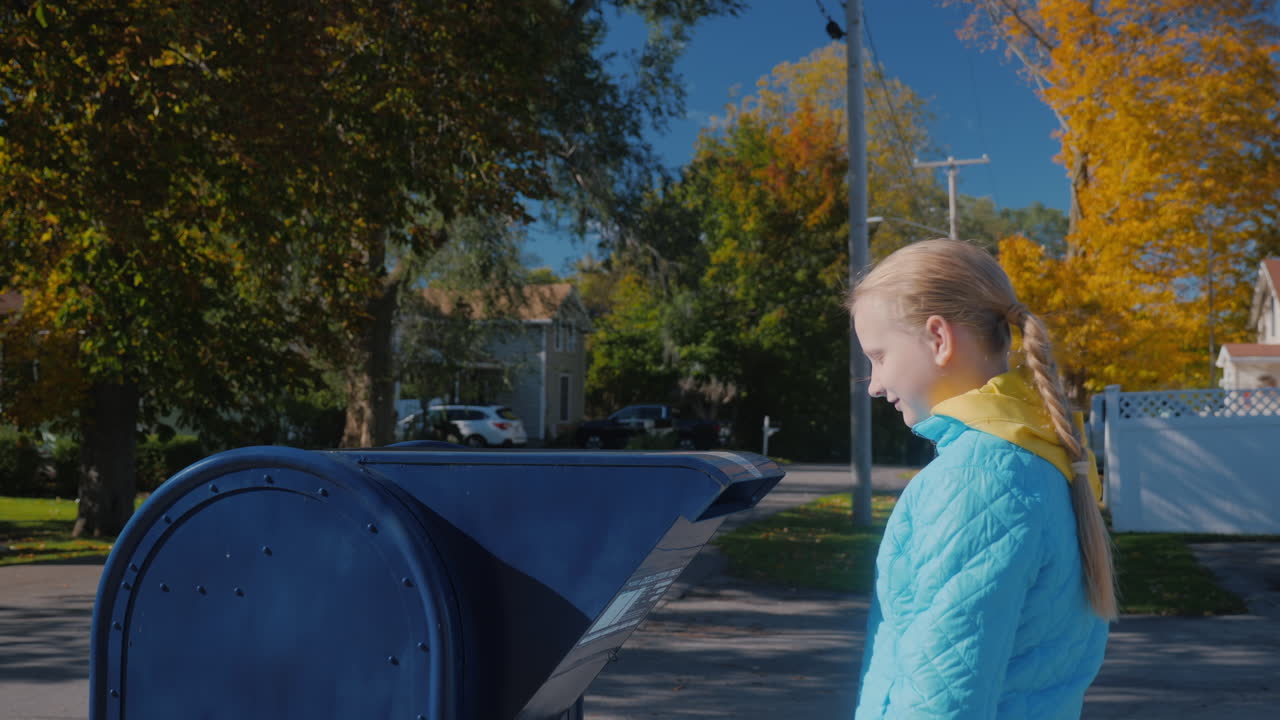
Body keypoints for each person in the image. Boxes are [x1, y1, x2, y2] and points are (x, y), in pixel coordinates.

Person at [848, 239, 1115, 719]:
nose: (875, 384)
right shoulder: (1037, 456)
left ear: (938, 339)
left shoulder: (975, 480)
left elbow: (944, 701)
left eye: (879, 356)